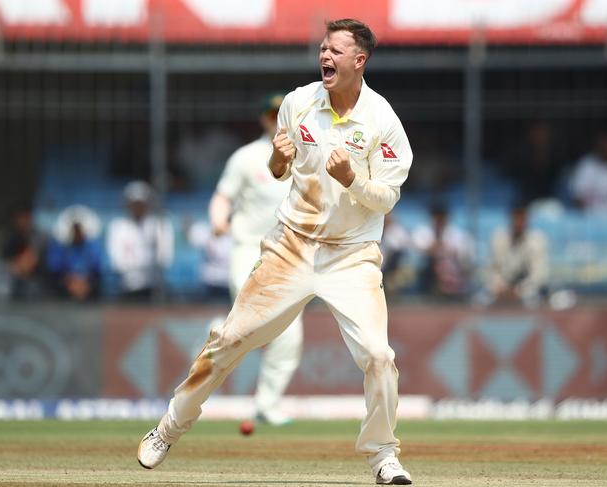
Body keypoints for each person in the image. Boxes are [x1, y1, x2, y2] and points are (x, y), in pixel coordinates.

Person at [137, 19, 413, 485]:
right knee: (228, 340)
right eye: (323, 48)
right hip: (292, 246)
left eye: (337, 51)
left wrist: (353, 180)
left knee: (379, 355)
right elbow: (281, 169)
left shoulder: (382, 119)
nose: (326, 56)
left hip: (352, 254)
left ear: (359, 61)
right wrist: (279, 160)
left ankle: (383, 454)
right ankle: (168, 428)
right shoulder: (297, 103)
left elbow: (388, 197)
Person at [208, 93, 303, 425]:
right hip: (249, 250)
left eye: (283, 114)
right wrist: (219, 220)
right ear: (263, 119)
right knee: (248, 325)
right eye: (272, 114)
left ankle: (267, 403)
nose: (278, 120)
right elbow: (223, 196)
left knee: (290, 336)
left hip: (289, 255)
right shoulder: (246, 157)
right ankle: (217, 339)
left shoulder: (308, 154)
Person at [106, 181, 174, 300]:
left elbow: (165, 258)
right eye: (134, 204)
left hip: (155, 288)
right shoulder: (118, 227)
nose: (138, 208)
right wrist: (141, 267)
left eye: (141, 203)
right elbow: (117, 262)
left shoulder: (160, 225)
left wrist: (138, 265)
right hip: (128, 288)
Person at [482, 203, 548, 308]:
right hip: (500, 290)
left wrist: (519, 291)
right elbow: (491, 269)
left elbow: (538, 274)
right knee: (480, 302)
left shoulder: (537, 240)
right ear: (510, 218)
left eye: (522, 219)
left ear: (527, 220)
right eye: (516, 218)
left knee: (533, 303)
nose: (518, 223)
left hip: (526, 293)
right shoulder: (498, 237)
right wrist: (500, 288)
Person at [412, 204, 475, 300]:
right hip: (428, 271)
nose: (439, 221)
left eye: (441, 218)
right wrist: (437, 250)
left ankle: (453, 290)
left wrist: (443, 252)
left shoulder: (457, 234)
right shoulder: (423, 231)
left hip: (453, 269)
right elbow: (419, 248)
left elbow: (463, 254)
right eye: (436, 218)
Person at [46, 205, 103, 301]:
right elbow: (54, 268)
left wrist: (84, 283)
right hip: (66, 291)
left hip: (89, 290)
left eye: (79, 228)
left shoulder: (92, 247)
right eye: (74, 229)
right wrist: (70, 282)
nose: (77, 232)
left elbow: (96, 269)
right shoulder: (62, 247)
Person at [0, 203, 47, 300]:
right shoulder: (9, 237)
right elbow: (5, 263)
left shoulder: (40, 237)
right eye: (19, 217)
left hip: (35, 279)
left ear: (30, 217)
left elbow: (30, 263)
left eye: (25, 217)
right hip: (13, 277)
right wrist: (15, 267)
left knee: (32, 288)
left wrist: (20, 267)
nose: (22, 221)